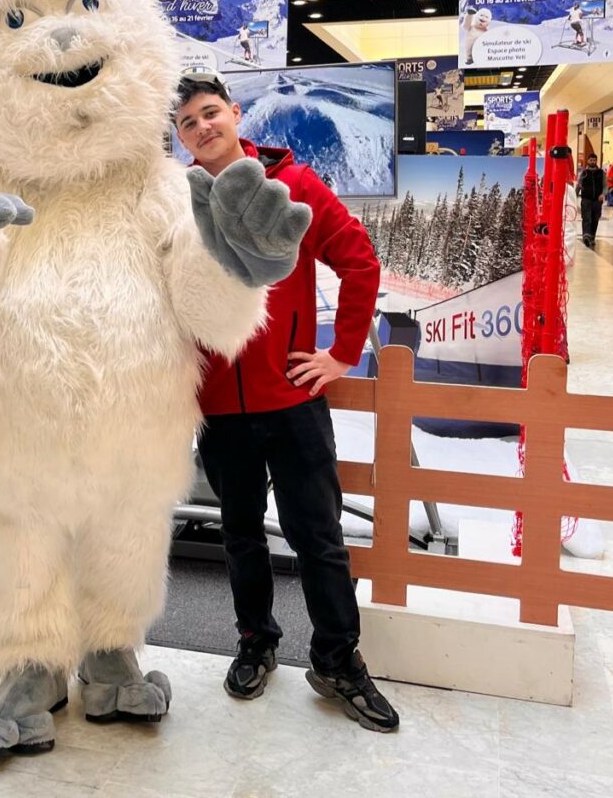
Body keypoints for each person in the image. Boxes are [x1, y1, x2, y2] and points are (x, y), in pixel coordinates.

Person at [173, 69, 399, 733]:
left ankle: (336, 659)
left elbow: (359, 259)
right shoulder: (181, 202)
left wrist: (341, 354)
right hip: (220, 407)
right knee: (239, 533)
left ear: (235, 113)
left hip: (291, 398)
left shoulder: (292, 185)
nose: (202, 128)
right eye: (187, 122)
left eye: (210, 113)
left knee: (318, 537)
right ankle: (255, 641)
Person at [576, 153, 605, 246]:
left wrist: (603, 194)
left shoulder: (601, 173)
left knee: (595, 219)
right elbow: (578, 184)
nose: (592, 162)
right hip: (586, 199)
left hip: (597, 200)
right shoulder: (584, 173)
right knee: (586, 218)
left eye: (594, 160)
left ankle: (592, 237)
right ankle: (586, 236)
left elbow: (605, 186)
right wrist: (575, 195)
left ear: (596, 161)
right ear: (588, 161)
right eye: (591, 160)